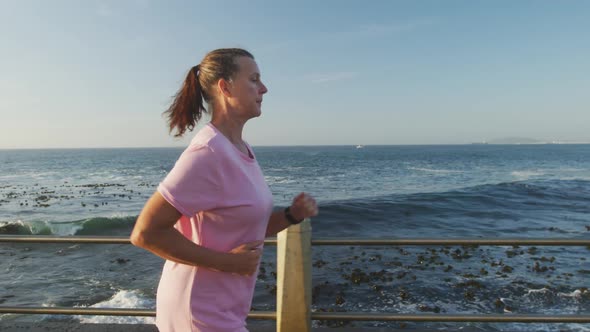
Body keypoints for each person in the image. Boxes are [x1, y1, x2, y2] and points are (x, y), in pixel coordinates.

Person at [130, 48, 319, 332]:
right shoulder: (208, 153)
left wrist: (292, 215)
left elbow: (244, 229)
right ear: (225, 87)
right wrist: (228, 264)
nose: (264, 89)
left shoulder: (241, 150)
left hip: (224, 308)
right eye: (254, 80)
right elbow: (145, 233)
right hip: (197, 311)